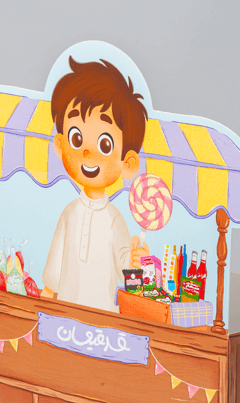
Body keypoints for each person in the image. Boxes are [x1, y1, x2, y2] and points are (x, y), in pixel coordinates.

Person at [41, 57, 149, 312]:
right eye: (76, 138)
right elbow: (55, 265)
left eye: (104, 144)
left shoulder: (114, 220)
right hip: (65, 313)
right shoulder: (69, 213)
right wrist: (47, 295)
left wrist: (136, 263)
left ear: (128, 163)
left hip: (103, 319)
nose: (87, 153)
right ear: (60, 145)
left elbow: (128, 278)